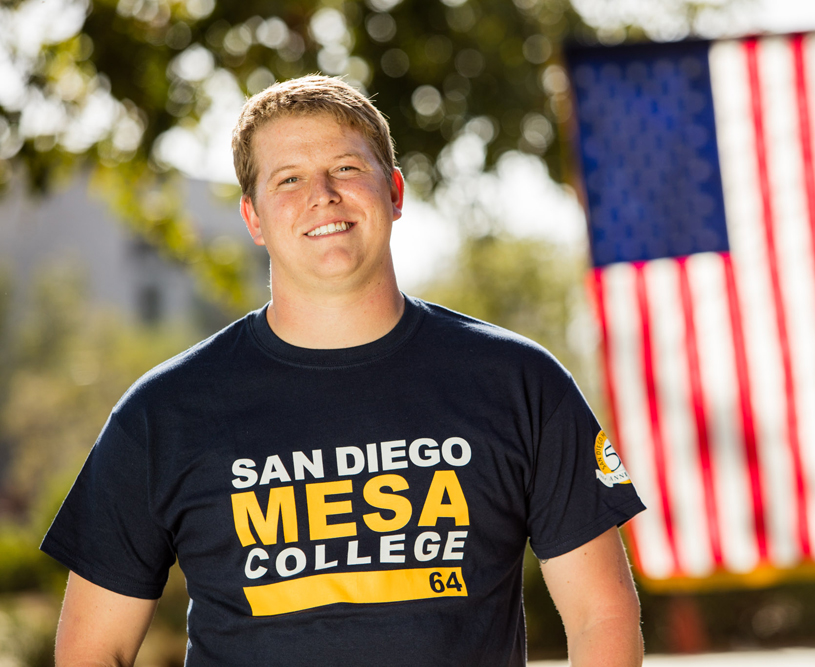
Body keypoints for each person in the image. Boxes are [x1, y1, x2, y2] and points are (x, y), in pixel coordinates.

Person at [41, 75, 645, 666]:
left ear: (396, 192)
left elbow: (602, 617)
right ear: (253, 218)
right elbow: (95, 650)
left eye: (347, 168)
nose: (322, 194)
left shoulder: (519, 382)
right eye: (289, 179)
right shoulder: (164, 412)